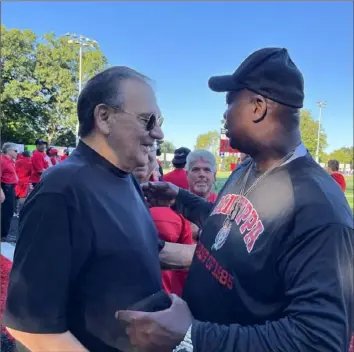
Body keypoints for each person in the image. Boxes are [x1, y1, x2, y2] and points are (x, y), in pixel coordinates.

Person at [118, 48, 354, 352]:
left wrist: (192, 336)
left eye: (230, 102)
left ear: (257, 107)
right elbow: (233, 227)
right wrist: (182, 201)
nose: (224, 114)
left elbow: (318, 338)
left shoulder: (319, 208)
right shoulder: (250, 165)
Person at [4, 66, 195, 352]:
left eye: (159, 120)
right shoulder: (63, 189)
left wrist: (229, 256)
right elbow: (31, 327)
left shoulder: (125, 178)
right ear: (104, 117)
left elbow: (152, 251)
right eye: (148, 120)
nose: (158, 132)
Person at [133, 148, 194, 297]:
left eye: (150, 150)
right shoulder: (99, 191)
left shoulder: (169, 204)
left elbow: (184, 272)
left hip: (158, 303)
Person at [186, 150, 218, 241]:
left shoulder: (223, 205)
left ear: (214, 176)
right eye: (196, 169)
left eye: (207, 170)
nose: (201, 174)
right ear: (187, 174)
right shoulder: (175, 203)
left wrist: (199, 234)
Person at [1, 143, 18, 241]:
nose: (17, 152)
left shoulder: (10, 161)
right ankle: (3, 235)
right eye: (15, 151)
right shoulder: (2, 161)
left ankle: (4, 233)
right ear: (9, 151)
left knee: (9, 211)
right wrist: (1, 191)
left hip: (10, 188)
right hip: (6, 188)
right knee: (6, 212)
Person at [14, 150, 32, 216]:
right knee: (22, 197)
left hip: (17, 180)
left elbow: (14, 170)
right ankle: (20, 212)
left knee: (16, 196)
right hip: (25, 181)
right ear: (29, 155)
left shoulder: (17, 161)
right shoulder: (30, 163)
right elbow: (31, 172)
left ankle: (15, 211)